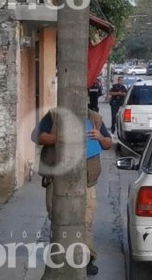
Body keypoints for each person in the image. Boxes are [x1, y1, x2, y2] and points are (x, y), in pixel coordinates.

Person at [33, 108, 112, 275]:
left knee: (86, 220)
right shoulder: (55, 114)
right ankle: (60, 256)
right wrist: (59, 139)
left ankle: (87, 259)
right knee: (58, 217)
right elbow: (37, 136)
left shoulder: (94, 118)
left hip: (87, 179)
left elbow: (108, 144)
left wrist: (100, 137)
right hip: (57, 178)